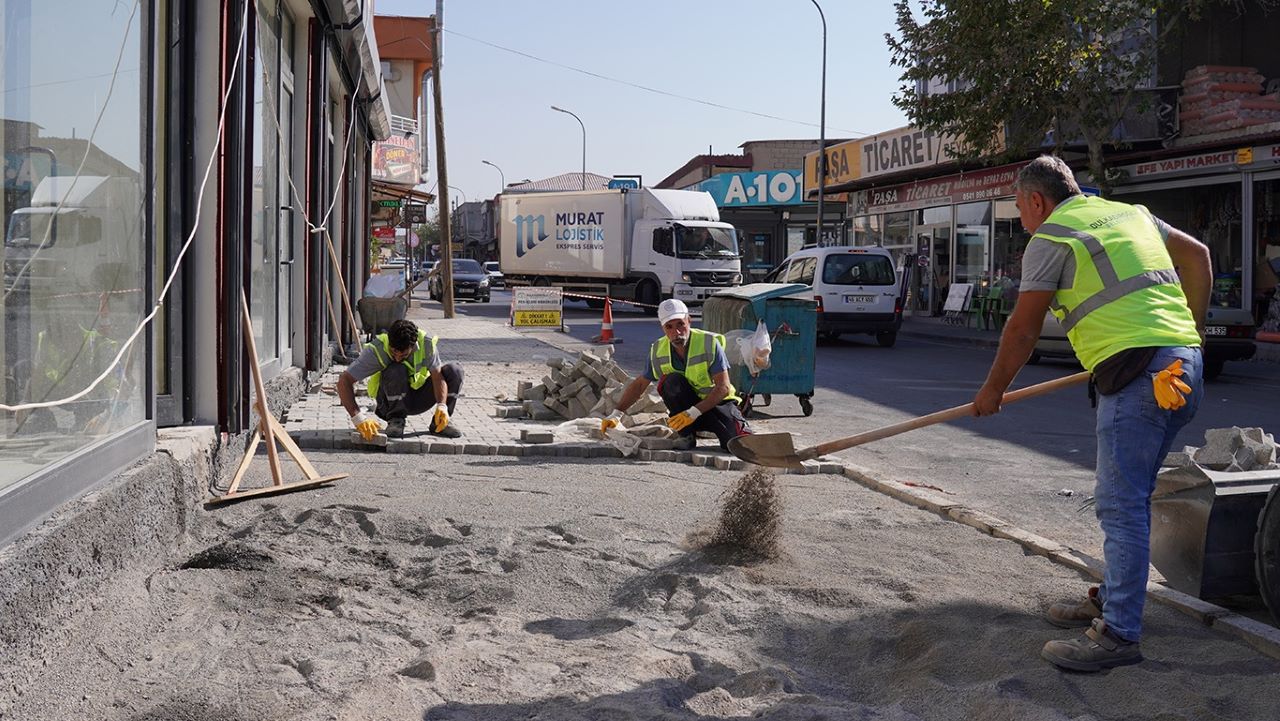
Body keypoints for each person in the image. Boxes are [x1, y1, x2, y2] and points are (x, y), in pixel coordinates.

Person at [972, 155, 1211, 672]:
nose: (1023, 219)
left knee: (1120, 505)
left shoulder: (1051, 237)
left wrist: (992, 391)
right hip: (1181, 368)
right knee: (1134, 496)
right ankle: (1113, 598)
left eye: (1020, 207)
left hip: (1139, 376)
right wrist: (1188, 332)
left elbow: (1022, 329)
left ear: (1037, 200)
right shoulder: (1132, 214)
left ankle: (1119, 636)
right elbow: (1199, 257)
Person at [601, 299, 751, 451]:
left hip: (716, 405)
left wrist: (693, 412)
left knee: (737, 445)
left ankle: (728, 430)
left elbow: (723, 387)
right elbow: (640, 384)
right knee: (670, 382)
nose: (676, 332)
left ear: (689, 320)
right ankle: (687, 435)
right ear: (663, 328)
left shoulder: (709, 343)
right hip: (686, 412)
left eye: (680, 324)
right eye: (669, 327)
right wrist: (616, 414)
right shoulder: (658, 350)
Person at [337, 318, 464, 440]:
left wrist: (442, 406)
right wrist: (358, 418)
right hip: (387, 404)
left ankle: (440, 423)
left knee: (455, 370)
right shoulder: (376, 350)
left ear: (413, 346)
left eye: (403, 354)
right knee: (396, 368)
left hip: (416, 399)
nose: (397, 357)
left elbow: (438, 377)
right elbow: (344, 381)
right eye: (393, 353)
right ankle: (396, 420)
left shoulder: (426, 344)